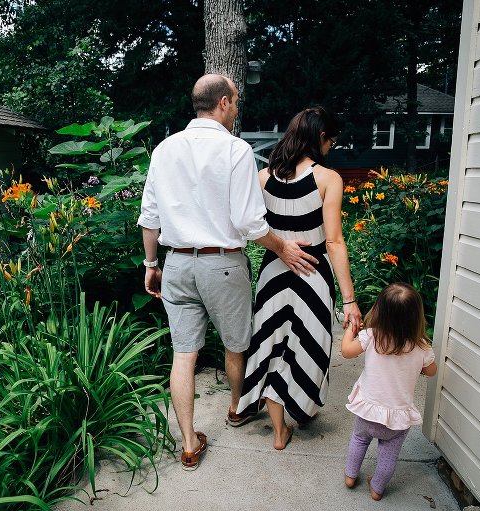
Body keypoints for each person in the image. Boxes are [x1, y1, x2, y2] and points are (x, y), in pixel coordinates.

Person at [138, 74, 318, 471]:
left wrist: (152, 265)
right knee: (235, 344)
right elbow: (249, 224)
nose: (236, 108)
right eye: (235, 101)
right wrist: (284, 247)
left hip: (177, 262)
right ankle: (237, 408)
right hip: (222, 262)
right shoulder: (235, 150)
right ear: (222, 103)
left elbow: (149, 218)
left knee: (183, 354)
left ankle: (188, 444)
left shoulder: (164, 150)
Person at [234, 106, 363, 450]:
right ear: (321, 137)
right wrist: (350, 300)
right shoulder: (328, 179)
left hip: (274, 274)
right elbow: (334, 241)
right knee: (311, 344)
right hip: (314, 276)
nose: (330, 148)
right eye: (331, 142)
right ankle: (302, 409)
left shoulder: (263, 178)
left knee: (271, 346)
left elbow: (250, 227)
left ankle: (279, 431)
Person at [341, 282, 438, 500]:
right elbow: (432, 371)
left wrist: (350, 331)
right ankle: (377, 488)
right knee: (388, 454)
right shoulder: (422, 347)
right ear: (416, 317)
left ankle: (350, 476)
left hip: (368, 411)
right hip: (397, 418)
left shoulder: (372, 336)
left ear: (380, 311)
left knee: (359, 439)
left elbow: (346, 351)